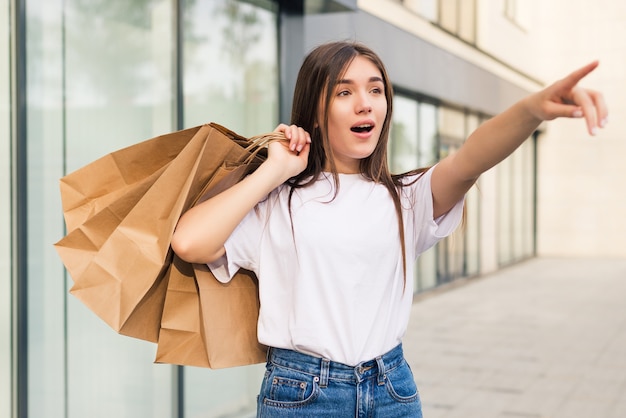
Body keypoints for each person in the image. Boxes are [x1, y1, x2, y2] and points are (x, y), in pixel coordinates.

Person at [171, 41, 607, 417]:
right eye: (345, 92)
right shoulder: (277, 203)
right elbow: (189, 241)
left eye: (375, 90)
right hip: (302, 394)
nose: (365, 103)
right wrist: (274, 171)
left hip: (391, 388)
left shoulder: (407, 198)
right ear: (316, 113)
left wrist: (532, 109)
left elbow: (473, 157)